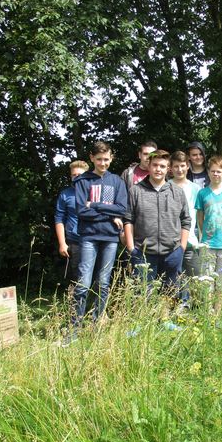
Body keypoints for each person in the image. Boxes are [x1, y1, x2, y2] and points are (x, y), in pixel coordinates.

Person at [72, 141, 128, 333]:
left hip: (110, 238)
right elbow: (81, 211)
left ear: (111, 158)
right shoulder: (82, 181)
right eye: (99, 159)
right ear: (91, 158)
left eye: (106, 159)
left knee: (104, 283)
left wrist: (94, 205)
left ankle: (97, 324)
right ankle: (75, 326)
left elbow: (122, 208)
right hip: (89, 237)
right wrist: (111, 215)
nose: (103, 163)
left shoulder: (117, 182)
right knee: (83, 283)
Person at [124, 150, 191, 302]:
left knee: (171, 294)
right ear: (149, 165)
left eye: (162, 166)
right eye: (155, 165)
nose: (158, 169)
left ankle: (167, 323)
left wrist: (182, 247)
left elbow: (186, 220)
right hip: (143, 252)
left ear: (168, 169)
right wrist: (131, 247)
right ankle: (145, 325)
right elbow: (128, 220)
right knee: (143, 296)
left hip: (172, 252)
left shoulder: (177, 192)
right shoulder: (136, 191)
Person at [196, 155, 222, 298]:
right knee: (207, 280)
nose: (216, 174)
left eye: (219, 171)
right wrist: (206, 232)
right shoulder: (202, 193)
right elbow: (200, 217)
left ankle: (218, 314)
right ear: (208, 172)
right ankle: (207, 313)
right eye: (213, 171)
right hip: (207, 244)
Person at [54, 160, 89, 284]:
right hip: (74, 241)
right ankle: (74, 303)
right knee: (76, 278)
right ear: (71, 176)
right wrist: (62, 243)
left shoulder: (94, 193)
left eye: (80, 174)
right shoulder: (65, 194)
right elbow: (59, 219)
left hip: (93, 239)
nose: (77, 177)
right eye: (74, 175)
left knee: (96, 277)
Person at [170, 150, 201, 277]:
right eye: (176, 166)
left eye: (182, 166)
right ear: (170, 168)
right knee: (173, 283)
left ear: (188, 166)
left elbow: (200, 216)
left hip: (191, 242)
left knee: (195, 281)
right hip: (170, 242)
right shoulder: (166, 186)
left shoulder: (196, 189)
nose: (179, 169)